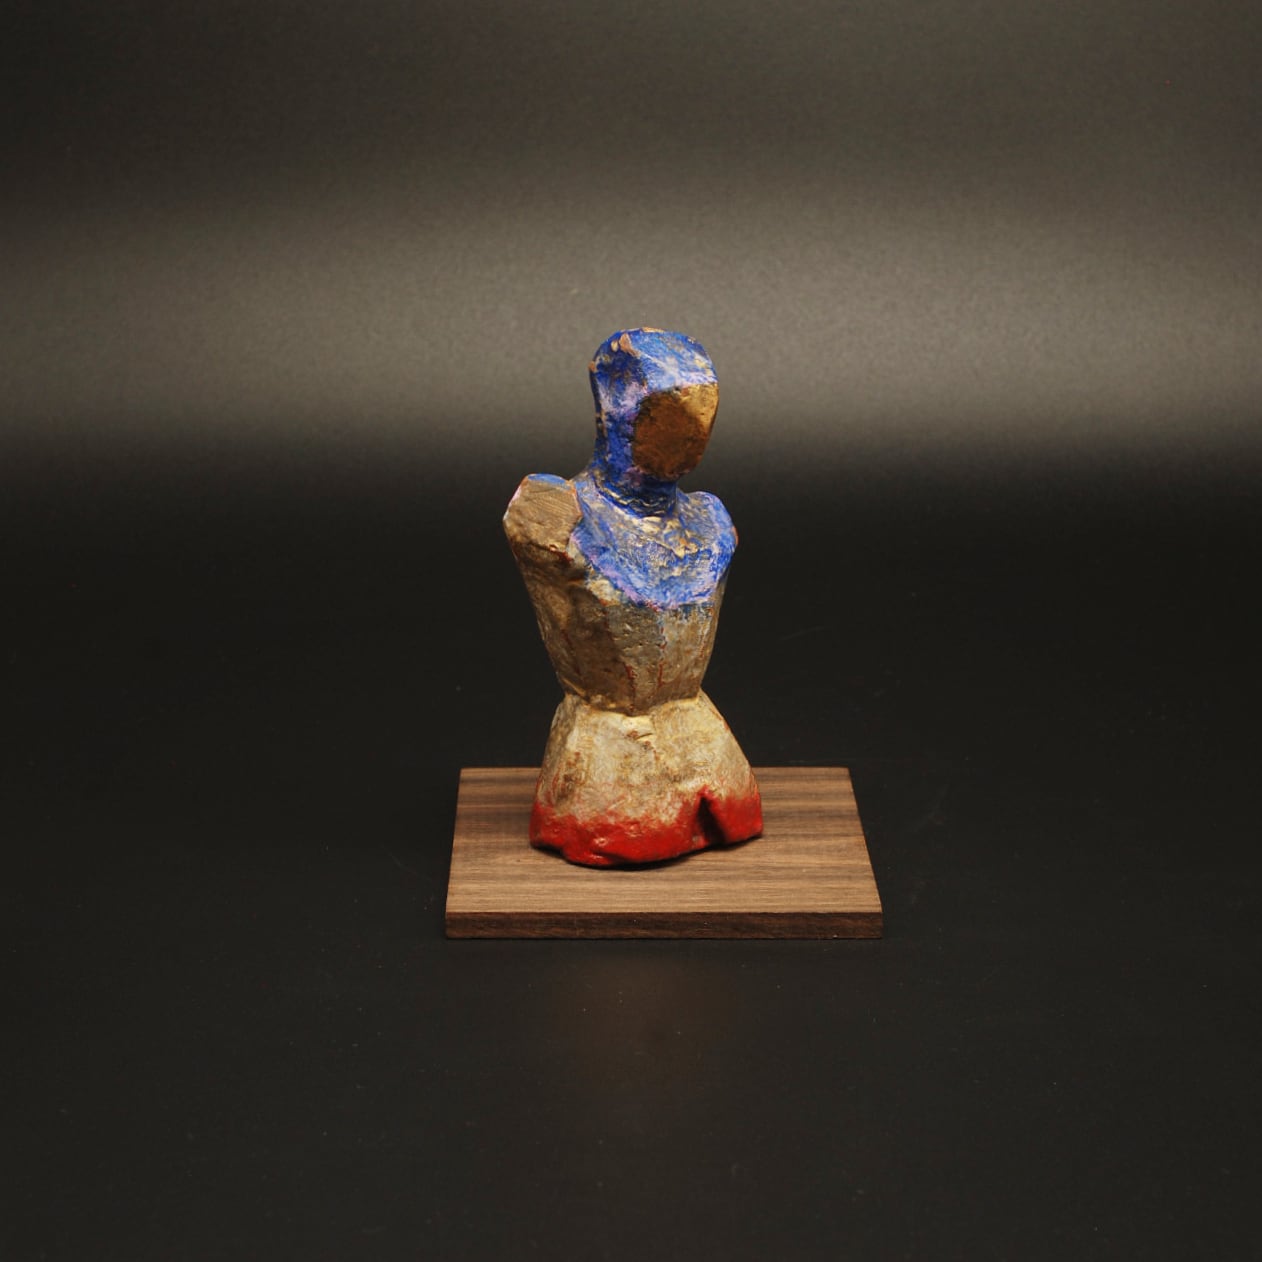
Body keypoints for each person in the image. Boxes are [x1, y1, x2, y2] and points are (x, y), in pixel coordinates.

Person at [504, 329, 762, 866]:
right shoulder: (551, 513)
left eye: (705, 409)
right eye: (669, 408)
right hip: (609, 762)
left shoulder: (710, 519)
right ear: (613, 406)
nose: (693, 428)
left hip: (706, 743)